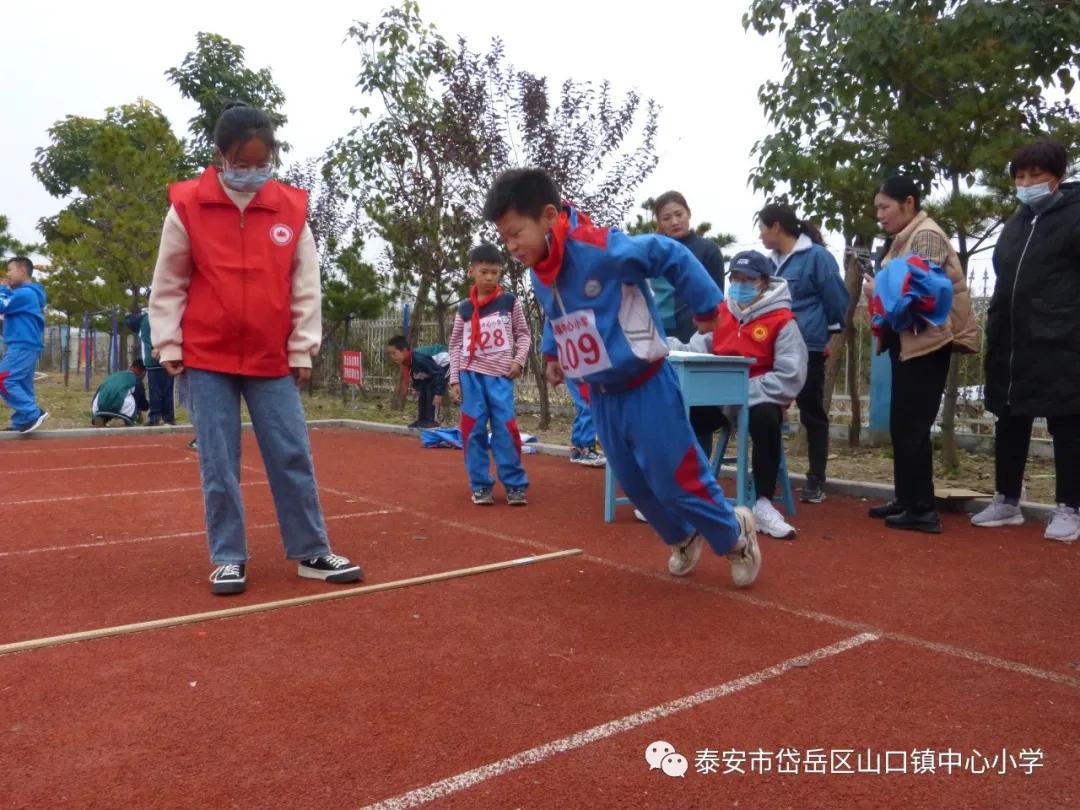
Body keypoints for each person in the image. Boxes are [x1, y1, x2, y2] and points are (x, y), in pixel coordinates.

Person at [484, 168, 760, 584]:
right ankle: (683, 537)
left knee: (676, 479)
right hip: (602, 394)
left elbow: (671, 254)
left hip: (646, 384)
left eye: (514, 232)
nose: (511, 246)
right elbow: (559, 312)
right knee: (634, 483)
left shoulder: (603, 248)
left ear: (547, 215)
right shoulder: (540, 271)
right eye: (504, 237)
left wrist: (707, 308)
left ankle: (735, 534)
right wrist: (552, 351)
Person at [149, 103, 362, 595]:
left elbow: (305, 285)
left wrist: (303, 347)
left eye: (261, 161)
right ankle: (228, 556)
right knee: (218, 460)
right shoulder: (187, 207)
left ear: (274, 156)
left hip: (271, 357)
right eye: (240, 163)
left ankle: (311, 550)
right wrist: (168, 342)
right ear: (220, 156)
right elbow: (169, 283)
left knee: (291, 453)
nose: (251, 171)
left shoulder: (291, 208)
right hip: (206, 357)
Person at [973, 139, 1080, 542]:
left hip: (1062, 340)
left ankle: (1070, 506)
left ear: (1058, 177)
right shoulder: (1018, 221)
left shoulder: (1074, 216)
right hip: (1012, 340)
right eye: (1020, 176)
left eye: (1036, 175)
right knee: (1010, 418)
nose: (1027, 182)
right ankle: (1006, 500)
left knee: (1068, 424)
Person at [863, 176, 978, 533]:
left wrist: (877, 287)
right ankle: (907, 498)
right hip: (909, 339)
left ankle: (923, 509)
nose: (880, 215)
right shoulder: (905, 237)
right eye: (877, 208)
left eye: (885, 207)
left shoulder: (925, 234)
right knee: (901, 423)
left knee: (913, 424)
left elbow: (920, 289)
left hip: (928, 342)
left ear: (908, 203)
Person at [671, 251, 807, 539]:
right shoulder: (719, 313)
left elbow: (790, 375)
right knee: (680, 414)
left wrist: (743, 391)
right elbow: (696, 351)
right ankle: (684, 496)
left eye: (749, 279)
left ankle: (763, 503)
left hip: (760, 397)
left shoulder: (782, 320)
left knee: (766, 419)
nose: (741, 284)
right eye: (736, 278)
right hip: (719, 397)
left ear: (764, 282)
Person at [758, 203, 849, 503]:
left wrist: (830, 330)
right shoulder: (768, 264)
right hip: (771, 346)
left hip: (807, 344)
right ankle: (765, 480)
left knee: (811, 411)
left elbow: (835, 298)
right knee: (767, 408)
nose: (760, 236)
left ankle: (815, 480)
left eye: (762, 228)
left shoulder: (817, 257)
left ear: (775, 227)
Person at [447, 243, 532, 505]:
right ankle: (481, 484)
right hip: (471, 377)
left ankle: (515, 484)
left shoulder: (509, 302)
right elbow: (454, 345)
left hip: (501, 378)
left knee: (506, 430)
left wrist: (518, 361)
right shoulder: (463, 308)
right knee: (473, 432)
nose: (489, 278)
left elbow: (524, 334)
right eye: (484, 272)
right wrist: (454, 378)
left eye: (495, 273)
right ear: (471, 271)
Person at [651, 191, 726, 343]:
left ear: (689, 213)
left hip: (695, 332)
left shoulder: (707, 249)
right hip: (658, 330)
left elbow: (717, 296)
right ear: (659, 222)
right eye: (666, 218)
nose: (674, 222)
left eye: (679, 214)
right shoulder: (654, 251)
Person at [0, 257, 49, 433]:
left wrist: (2, 289)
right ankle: (22, 420)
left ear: (22, 270)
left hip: (22, 344)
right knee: (21, 383)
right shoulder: (26, 294)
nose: (8, 275)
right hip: (25, 344)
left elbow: (1, 305)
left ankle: (32, 413)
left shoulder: (24, 294)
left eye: (10, 270)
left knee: (3, 379)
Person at [126, 305, 175, 426]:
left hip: (152, 359)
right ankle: (169, 417)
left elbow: (130, 322)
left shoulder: (144, 318)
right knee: (168, 390)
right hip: (168, 358)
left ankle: (155, 417)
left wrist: (128, 313)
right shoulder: (167, 317)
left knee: (155, 390)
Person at [387, 335, 449, 429]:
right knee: (423, 392)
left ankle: (433, 421)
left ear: (404, 351)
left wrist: (439, 393)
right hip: (434, 369)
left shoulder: (419, 359)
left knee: (431, 390)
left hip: (444, 365)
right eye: (390, 354)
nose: (392, 357)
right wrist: (417, 388)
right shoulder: (408, 361)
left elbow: (438, 373)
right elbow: (417, 375)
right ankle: (422, 420)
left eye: (394, 353)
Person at [91, 359, 149, 426]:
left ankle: (101, 417)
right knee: (134, 401)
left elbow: (97, 392)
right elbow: (142, 403)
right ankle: (129, 421)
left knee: (109, 403)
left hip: (98, 406)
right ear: (141, 372)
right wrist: (147, 406)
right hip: (121, 406)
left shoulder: (113, 375)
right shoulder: (136, 380)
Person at [567, 381, 606, 467]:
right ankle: (588, 450)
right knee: (588, 404)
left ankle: (578, 449)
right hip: (582, 371)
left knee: (582, 406)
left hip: (572, 371)